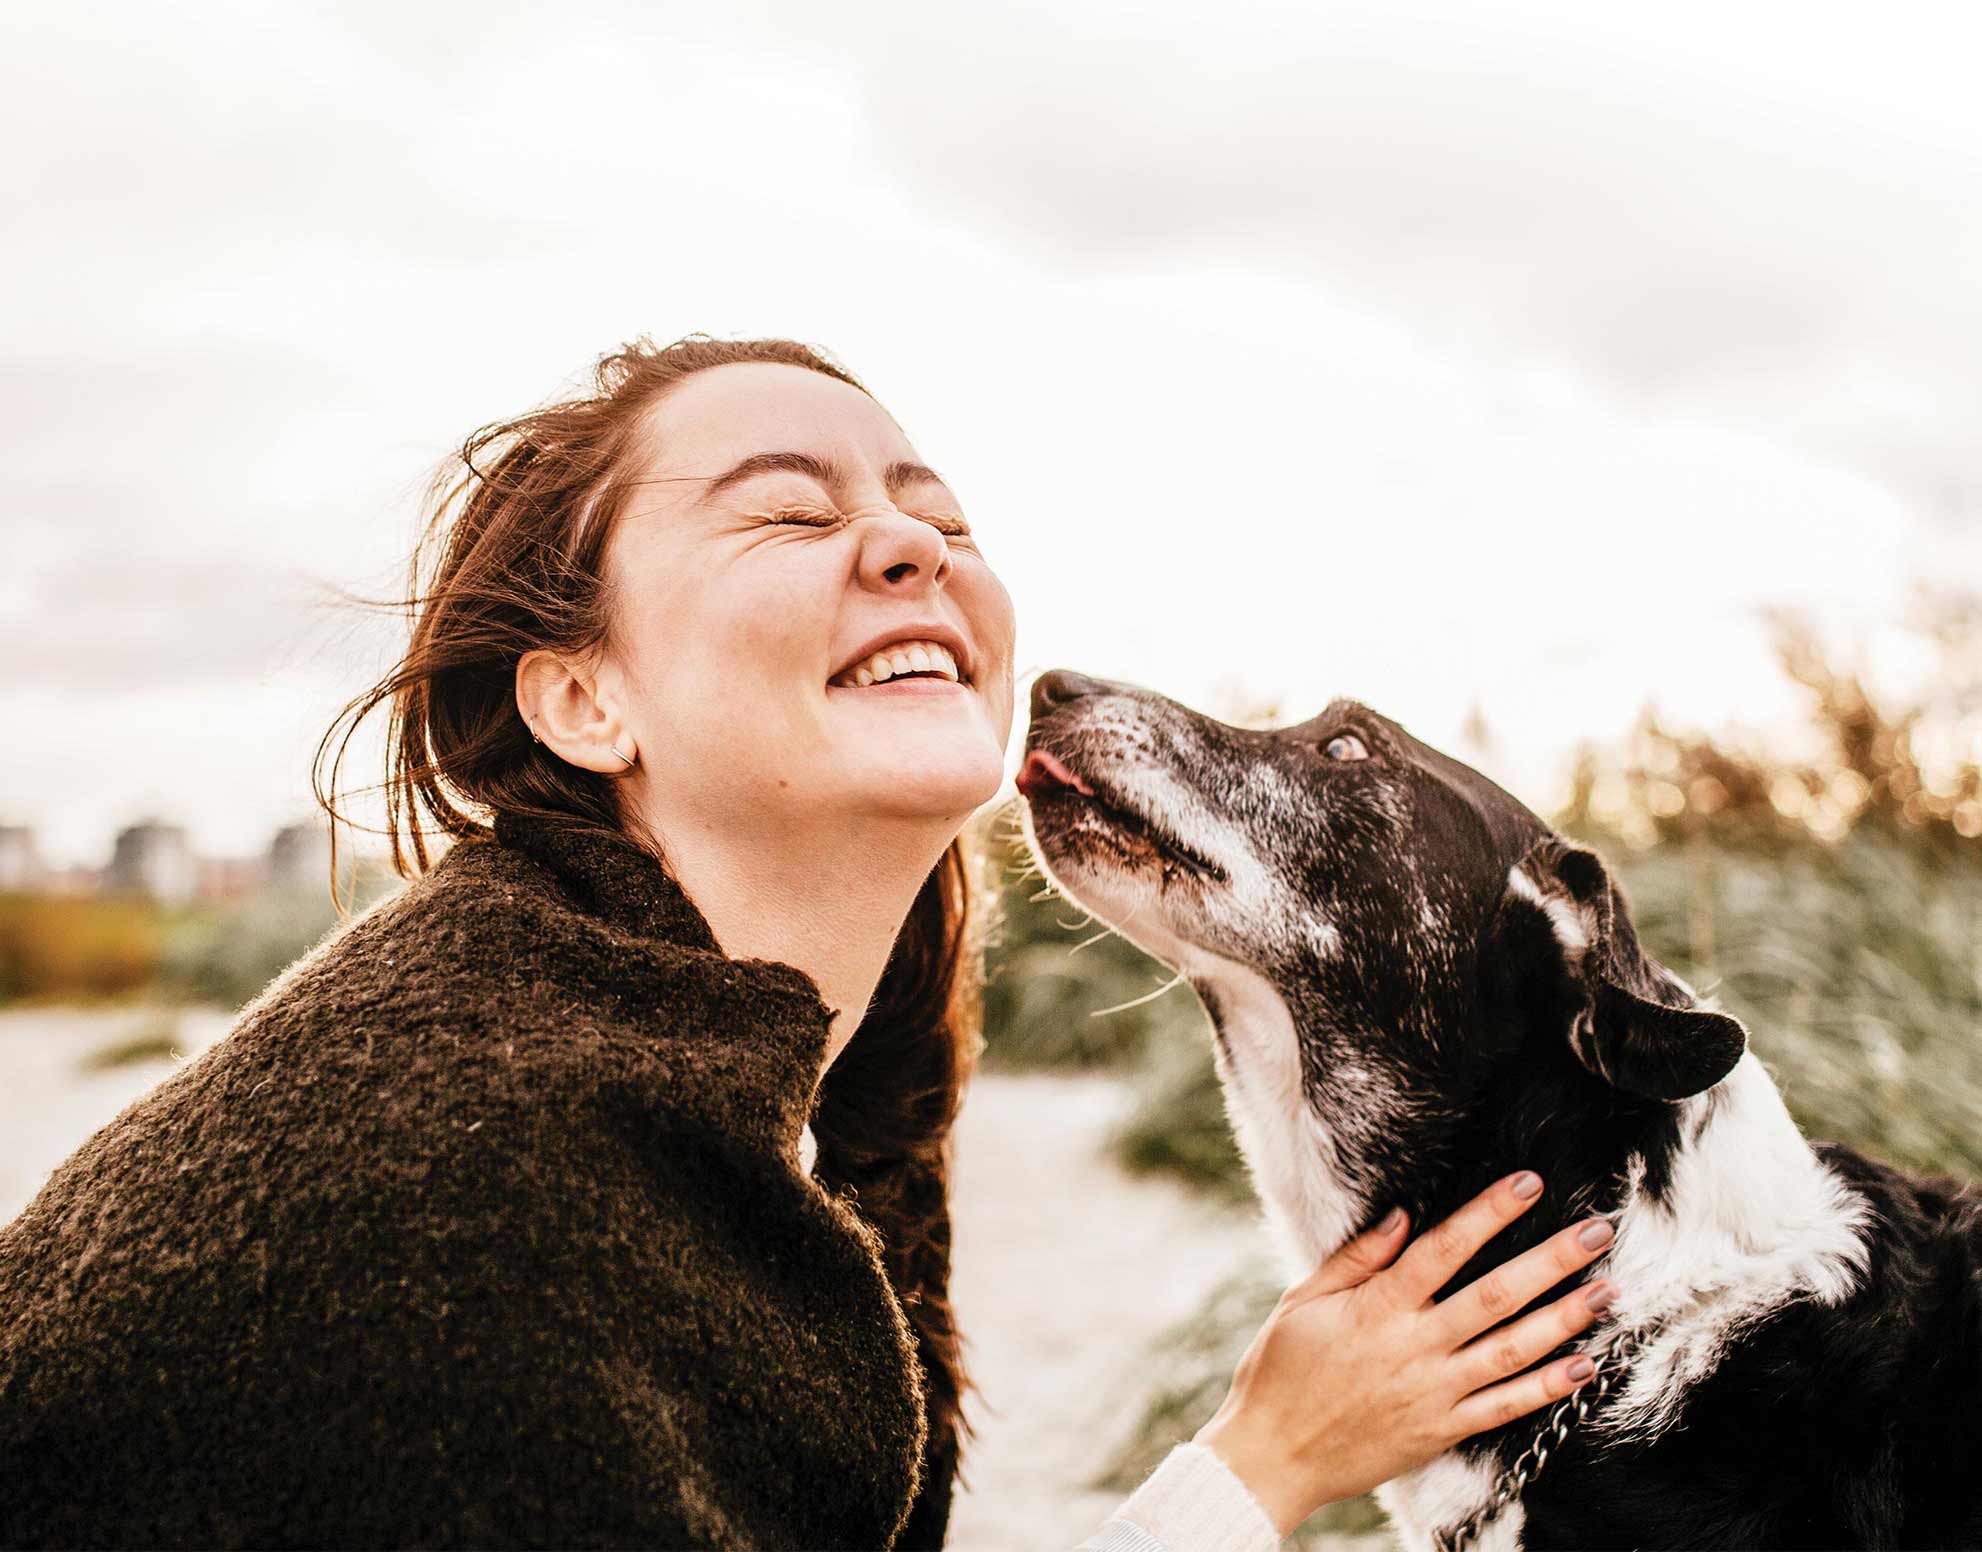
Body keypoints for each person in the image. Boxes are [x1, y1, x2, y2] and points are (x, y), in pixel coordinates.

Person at [0, 335, 1616, 1551]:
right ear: (583, 700)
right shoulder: (472, 1186)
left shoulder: (638, 1052)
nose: (911, 548)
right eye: (784, 516)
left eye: (939, 516)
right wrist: (1259, 1466)